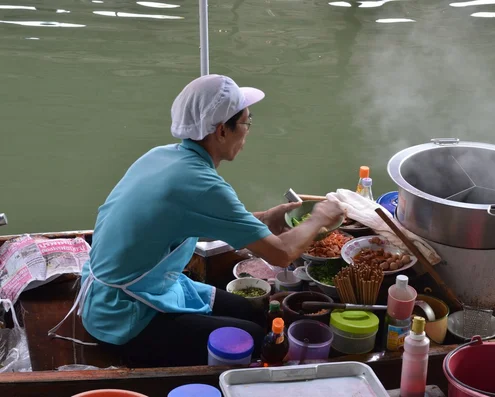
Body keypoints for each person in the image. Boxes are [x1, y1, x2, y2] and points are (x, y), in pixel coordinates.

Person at [48, 74, 343, 367]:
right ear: (221, 131)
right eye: (246, 123)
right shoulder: (202, 184)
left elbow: (187, 220)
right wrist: (319, 217)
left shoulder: (161, 156)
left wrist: (265, 218)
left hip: (132, 290)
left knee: (251, 309)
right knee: (251, 337)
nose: (248, 132)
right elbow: (282, 254)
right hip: (121, 316)